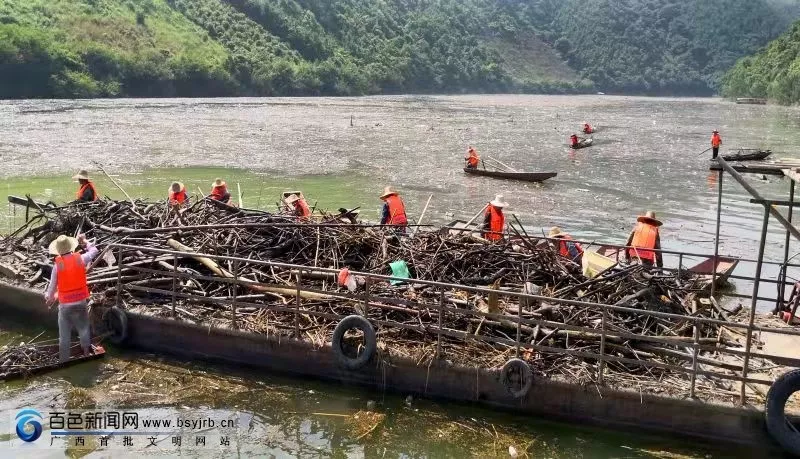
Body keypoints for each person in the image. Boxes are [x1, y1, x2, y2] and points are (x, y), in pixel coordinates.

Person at [44, 234, 99, 363]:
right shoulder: (81, 258)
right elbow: (95, 251)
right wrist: (85, 241)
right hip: (80, 301)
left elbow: (51, 291)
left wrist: (48, 297)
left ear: (58, 250)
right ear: (71, 247)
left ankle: (64, 359)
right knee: (83, 328)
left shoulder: (57, 266)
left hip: (65, 305)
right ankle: (86, 353)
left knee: (64, 334)